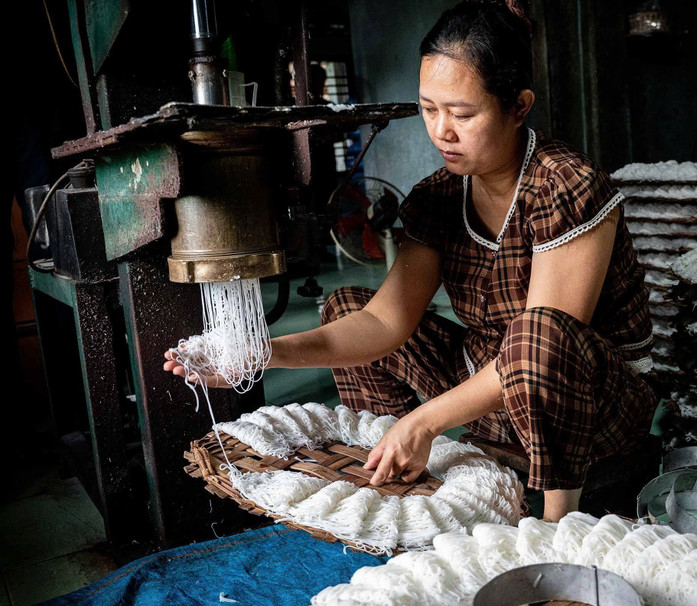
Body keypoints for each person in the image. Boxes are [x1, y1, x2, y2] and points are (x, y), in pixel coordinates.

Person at [164, 0, 657, 521]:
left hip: (594, 401)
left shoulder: (565, 185)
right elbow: (383, 322)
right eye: (428, 109)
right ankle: (398, 491)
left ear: (519, 105)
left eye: (463, 114)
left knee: (536, 335)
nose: (441, 130)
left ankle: (560, 523)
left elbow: (544, 345)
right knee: (346, 305)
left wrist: (424, 420)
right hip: (496, 384)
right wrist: (256, 352)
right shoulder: (438, 196)